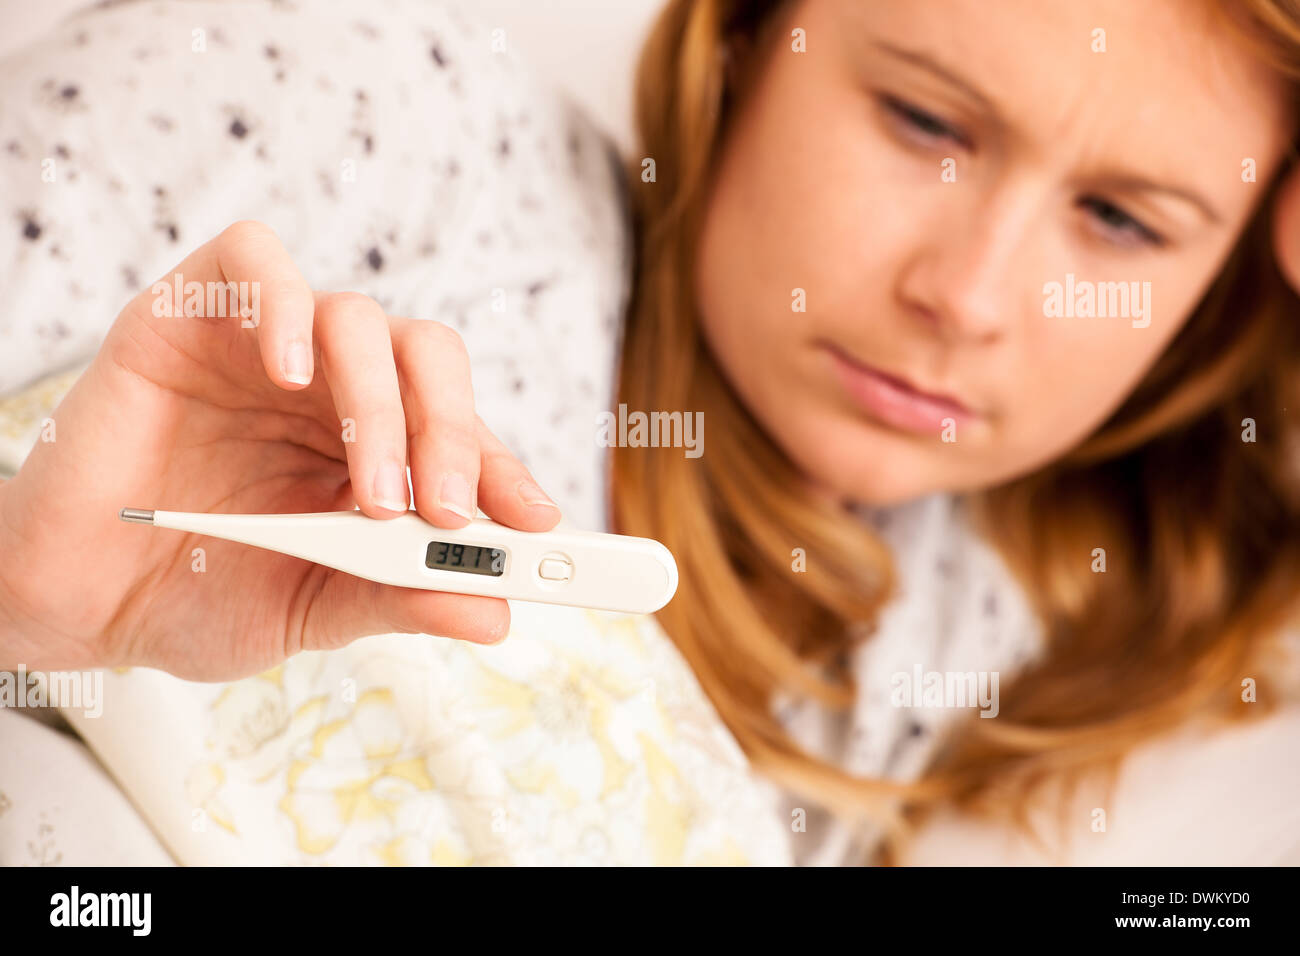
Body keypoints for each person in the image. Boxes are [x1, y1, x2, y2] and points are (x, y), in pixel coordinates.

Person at [1, 0, 1297, 865]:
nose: (966, 298)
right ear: (739, 38)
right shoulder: (364, 110)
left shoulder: (961, 627)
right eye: (925, 122)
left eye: (1123, 221)